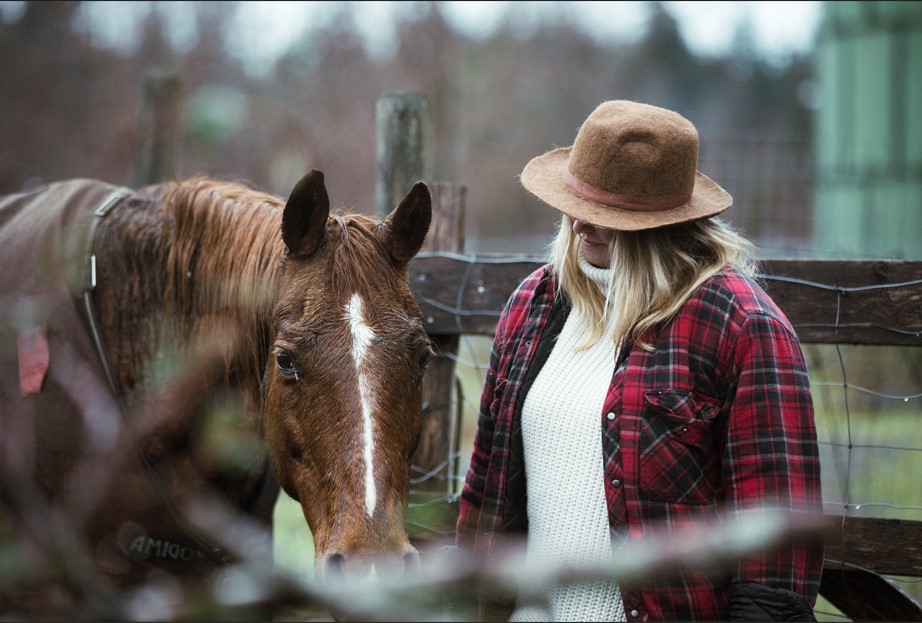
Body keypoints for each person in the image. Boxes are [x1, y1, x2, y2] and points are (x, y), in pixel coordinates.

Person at [454, 100, 824, 622]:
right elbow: (485, 492)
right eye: (575, 203)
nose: (581, 225)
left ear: (667, 223)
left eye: (608, 217)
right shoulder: (531, 308)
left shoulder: (740, 325)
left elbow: (776, 555)